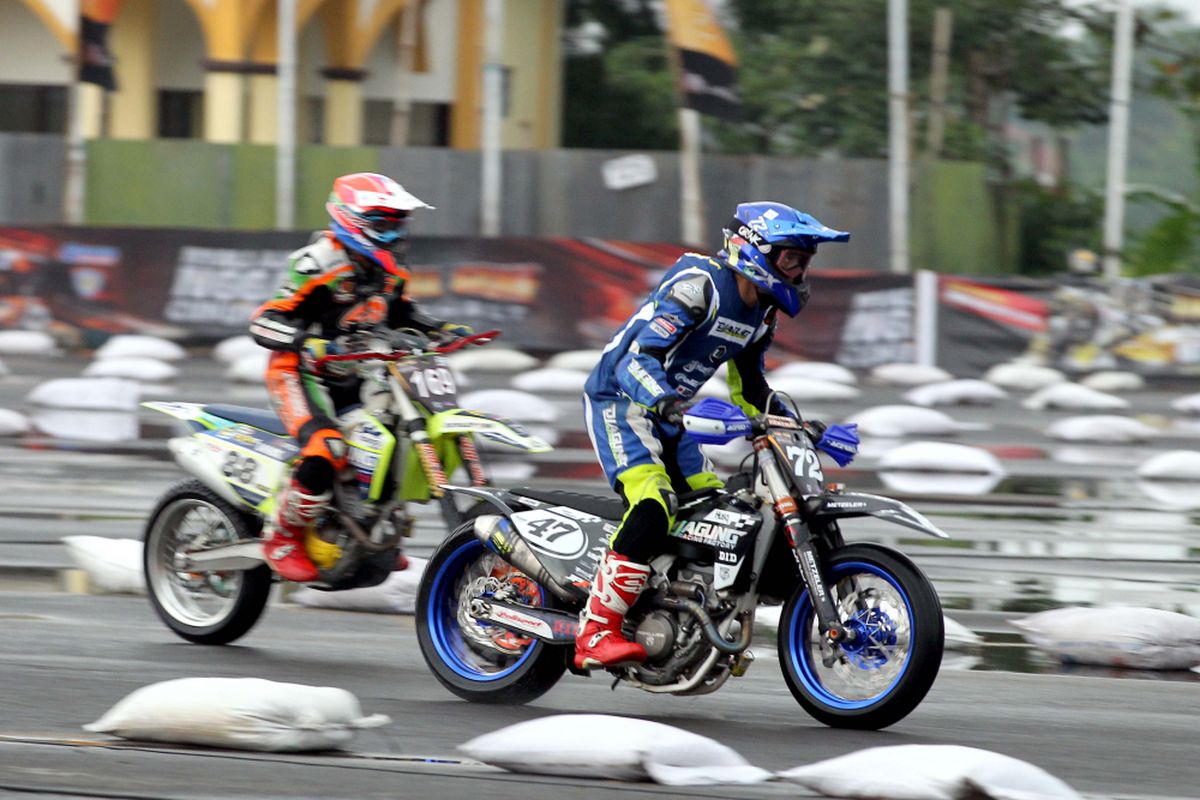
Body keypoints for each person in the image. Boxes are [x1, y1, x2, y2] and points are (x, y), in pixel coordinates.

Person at [576, 201, 850, 669]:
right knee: (654, 504)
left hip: (672, 414)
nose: (800, 270)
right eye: (791, 258)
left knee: (713, 507)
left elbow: (752, 390)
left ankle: (680, 607)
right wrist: (665, 400)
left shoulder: (761, 315)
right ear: (754, 251)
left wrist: (798, 425)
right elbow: (633, 362)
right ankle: (595, 629)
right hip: (622, 401)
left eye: (805, 261)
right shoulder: (699, 286)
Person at [249, 173, 472, 582]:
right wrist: (306, 342)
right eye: (383, 224)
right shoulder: (317, 264)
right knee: (326, 447)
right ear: (351, 220)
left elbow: (403, 314)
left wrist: (441, 329)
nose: (394, 233)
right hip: (300, 373)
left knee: (390, 434)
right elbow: (264, 322)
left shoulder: (390, 270)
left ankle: (371, 529)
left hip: (356, 372)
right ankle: (283, 534)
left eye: (398, 223)